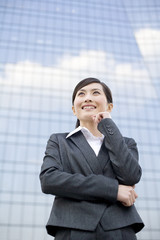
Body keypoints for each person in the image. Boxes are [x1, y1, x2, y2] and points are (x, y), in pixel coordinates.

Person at [39, 77, 144, 240]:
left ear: (109, 106)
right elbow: (49, 180)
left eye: (96, 93)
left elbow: (130, 176)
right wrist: (113, 190)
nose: (88, 97)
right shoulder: (59, 141)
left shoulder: (126, 143)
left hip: (120, 228)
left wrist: (108, 125)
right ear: (74, 109)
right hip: (72, 227)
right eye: (81, 94)